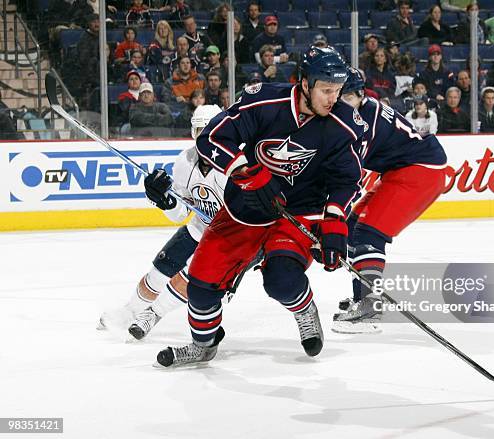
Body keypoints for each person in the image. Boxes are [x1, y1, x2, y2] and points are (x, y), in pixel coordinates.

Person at [155, 46, 363, 367]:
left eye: (337, 91)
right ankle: (204, 344)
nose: (332, 98)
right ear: (305, 84)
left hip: (297, 214)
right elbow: (210, 138)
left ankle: (304, 309)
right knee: (201, 284)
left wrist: (335, 223)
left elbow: (346, 179)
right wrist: (245, 173)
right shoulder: (264, 101)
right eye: (326, 90)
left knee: (281, 278)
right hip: (245, 209)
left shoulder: (342, 121)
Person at [98, 105, 234, 337]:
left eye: (210, 131)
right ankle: (130, 311)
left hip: (233, 237)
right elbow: (182, 213)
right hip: (200, 228)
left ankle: (154, 314)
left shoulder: (233, 165)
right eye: (199, 131)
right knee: (159, 272)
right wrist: (165, 201)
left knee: (194, 276)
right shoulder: (185, 161)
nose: (204, 138)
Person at [332, 68, 447, 333]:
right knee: (353, 226)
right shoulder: (364, 109)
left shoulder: (363, 123)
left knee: (368, 233)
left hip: (420, 172)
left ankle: (371, 307)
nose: (337, 102)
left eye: (343, 96)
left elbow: (351, 176)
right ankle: (363, 297)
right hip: (405, 169)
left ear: (357, 94)